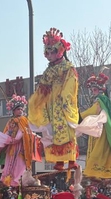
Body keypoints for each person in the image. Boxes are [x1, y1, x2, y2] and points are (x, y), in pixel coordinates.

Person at [28, 28, 79, 171]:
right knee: (53, 133)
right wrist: (38, 100)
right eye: (47, 53)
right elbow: (42, 88)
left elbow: (71, 83)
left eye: (52, 52)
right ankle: (59, 161)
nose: (49, 55)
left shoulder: (68, 67)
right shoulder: (48, 71)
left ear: (60, 51)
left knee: (68, 131)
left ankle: (71, 159)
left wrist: (65, 99)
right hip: (51, 106)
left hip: (63, 105)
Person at [80, 73, 111, 179]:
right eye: (92, 90)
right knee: (100, 153)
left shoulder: (100, 101)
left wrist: (79, 116)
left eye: (94, 90)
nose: (93, 92)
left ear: (100, 90)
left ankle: (96, 175)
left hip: (101, 131)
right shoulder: (105, 101)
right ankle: (97, 175)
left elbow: (93, 111)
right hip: (99, 130)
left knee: (97, 153)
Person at [0, 95, 33, 186]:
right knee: (10, 163)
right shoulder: (11, 121)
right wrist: (2, 142)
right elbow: (7, 132)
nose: (20, 111)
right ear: (13, 111)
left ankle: (17, 179)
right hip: (12, 147)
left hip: (21, 147)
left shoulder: (24, 120)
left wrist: (14, 139)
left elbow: (23, 132)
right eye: (18, 109)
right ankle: (11, 179)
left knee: (20, 164)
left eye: (21, 109)